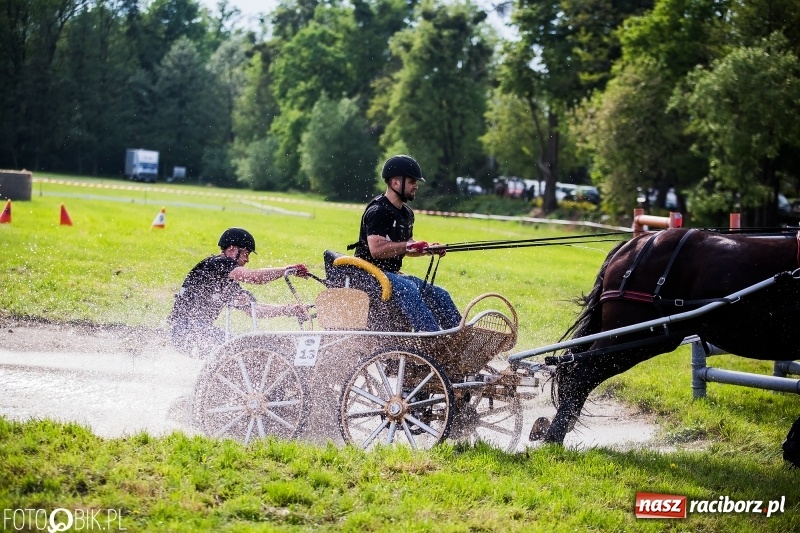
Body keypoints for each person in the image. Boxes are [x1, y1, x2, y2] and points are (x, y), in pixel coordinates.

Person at [350, 154, 461, 331]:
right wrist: (408, 246)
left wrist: (428, 249)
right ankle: (432, 338)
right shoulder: (378, 211)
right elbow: (376, 249)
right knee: (409, 288)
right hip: (369, 276)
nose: (415, 185)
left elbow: (408, 247)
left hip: (391, 276)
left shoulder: (406, 213)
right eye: (411, 181)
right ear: (395, 183)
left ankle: (458, 338)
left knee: (440, 294)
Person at [169, 227, 309, 357]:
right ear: (231, 249)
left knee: (242, 348)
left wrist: (289, 309)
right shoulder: (219, 263)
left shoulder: (227, 280)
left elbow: (254, 310)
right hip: (186, 330)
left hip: (196, 331)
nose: (247, 259)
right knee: (241, 348)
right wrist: (287, 269)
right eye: (246, 253)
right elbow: (254, 277)